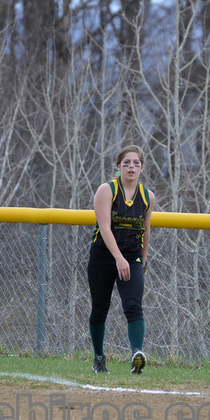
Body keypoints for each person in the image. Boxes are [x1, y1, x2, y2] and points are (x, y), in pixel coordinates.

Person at [88, 145, 155, 374]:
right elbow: (105, 228)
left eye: (136, 163)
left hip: (131, 256)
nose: (131, 167)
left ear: (142, 168)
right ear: (118, 166)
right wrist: (118, 258)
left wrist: (142, 260)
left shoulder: (147, 196)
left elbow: (146, 230)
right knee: (100, 308)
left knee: (133, 305)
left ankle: (137, 354)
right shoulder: (107, 190)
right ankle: (99, 358)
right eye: (126, 163)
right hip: (104, 256)